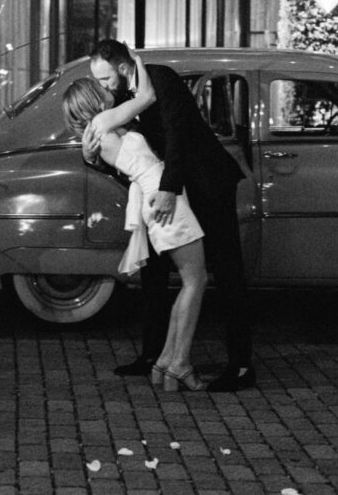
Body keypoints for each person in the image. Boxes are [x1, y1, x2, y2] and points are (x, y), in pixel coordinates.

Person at [86, 39, 253, 392]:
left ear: (120, 66)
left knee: (226, 271)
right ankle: (154, 355)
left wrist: (168, 188)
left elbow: (179, 135)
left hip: (207, 184)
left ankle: (240, 365)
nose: (103, 87)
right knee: (154, 274)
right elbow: (131, 153)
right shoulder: (122, 98)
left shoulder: (160, 78)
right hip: (170, 188)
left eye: (104, 79)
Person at [65, 57, 208, 390]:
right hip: (163, 195)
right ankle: (179, 363)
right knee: (195, 280)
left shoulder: (99, 132)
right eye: (98, 85)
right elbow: (146, 97)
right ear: (91, 99)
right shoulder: (103, 121)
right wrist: (138, 63)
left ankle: (166, 362)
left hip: (151, 196)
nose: (105, 88)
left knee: (191, 281)